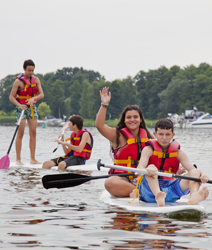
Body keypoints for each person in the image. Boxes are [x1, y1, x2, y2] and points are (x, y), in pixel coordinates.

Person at [134, 118, 209, 207]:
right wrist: (149, 169)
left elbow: (193, 171)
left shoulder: (179, 153)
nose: (164, 138)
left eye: (168, 134)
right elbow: (139, 168)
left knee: (195, 172)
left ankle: (194, 196)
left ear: (172, 135)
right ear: (155, 135)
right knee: (150, 168)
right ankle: (158, 195)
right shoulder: (148, 150)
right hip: (149, 192)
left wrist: (203, 175)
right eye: (161, 134)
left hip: (170, 191)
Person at [95, 87, 154, 197]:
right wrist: (104, 104)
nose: (132, 120)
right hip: (123, 179)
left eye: (135, 117)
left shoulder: (148, 138)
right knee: (110, 183)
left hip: (144, 177)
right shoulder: (117, 135)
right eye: (129, 117)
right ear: (124, 120)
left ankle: (144, 191)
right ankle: (142, 193)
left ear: (140, 119)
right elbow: (99, 126)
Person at [9, 59, 44, 165]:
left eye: (32, 70)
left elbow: (41, 94)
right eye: (29, 70)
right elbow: (11, 97)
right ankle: (18, 160)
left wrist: (34, 99)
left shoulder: (36, 80)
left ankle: (33, 159)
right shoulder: (18, 82)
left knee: (33, 133)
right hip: (21, 108)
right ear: (24, 69)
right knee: (20, 133)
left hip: (32, 108)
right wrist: (20, 105)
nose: (31, 73)